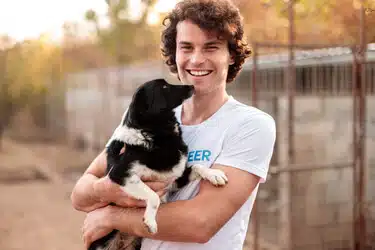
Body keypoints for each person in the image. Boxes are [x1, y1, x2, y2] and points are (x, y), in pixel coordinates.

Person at [70, 0, 276, 249]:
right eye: (186, 47)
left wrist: (111, 217)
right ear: (174, 52)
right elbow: (80, 195)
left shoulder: (250, 125)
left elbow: (200, 223)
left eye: (211, 47)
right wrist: (106, 190)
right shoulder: (148, 117)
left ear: (231, 55)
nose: (197, 59)